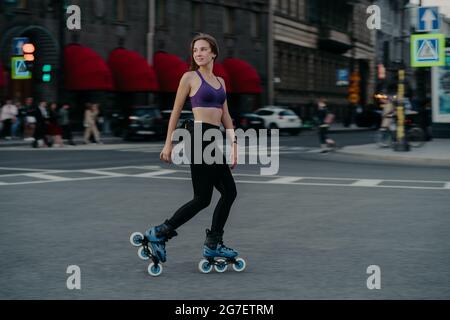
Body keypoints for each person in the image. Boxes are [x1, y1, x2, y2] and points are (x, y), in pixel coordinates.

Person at [146, 33, 239, 266]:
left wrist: (234, 145)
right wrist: (168, 142)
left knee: (216, 196)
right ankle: (161, 234)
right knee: (208, 196)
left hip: (212, 139)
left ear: (213, 53)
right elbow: (176, 111)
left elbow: (226, 115)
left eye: (203, 49)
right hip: (198, 137)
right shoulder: (189, 77)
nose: (198, 53)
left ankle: (206, 242)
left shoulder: (221, 82)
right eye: (195, 50)